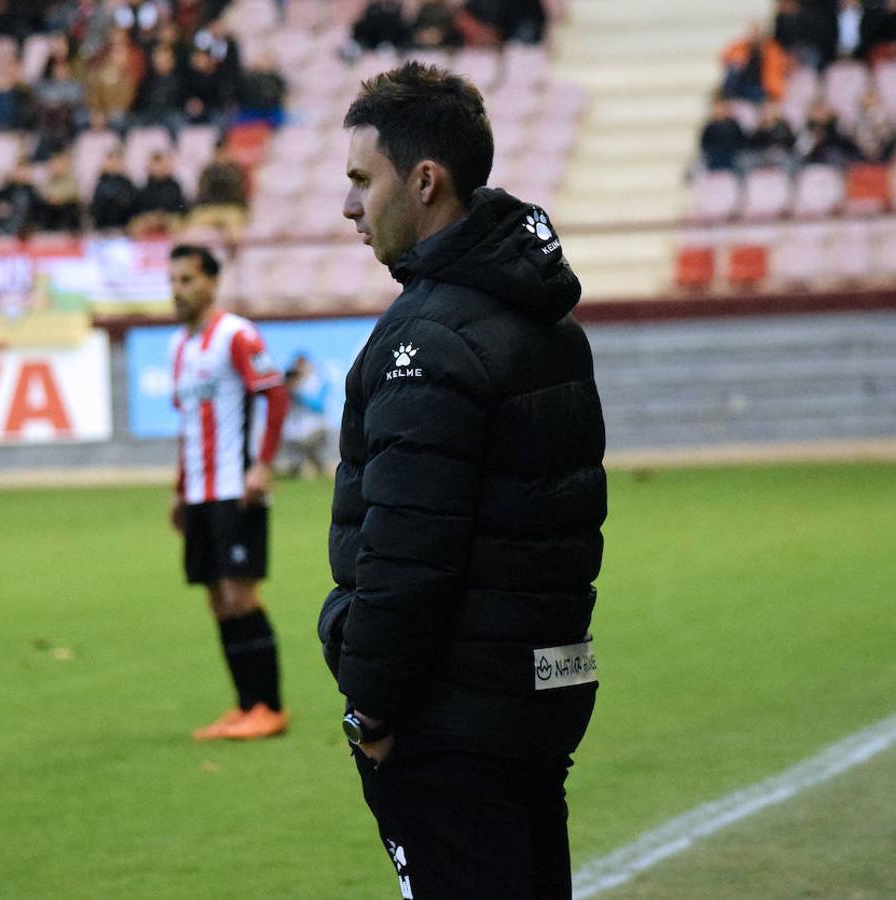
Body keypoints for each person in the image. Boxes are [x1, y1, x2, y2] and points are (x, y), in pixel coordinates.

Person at [318, 62, 606, 899]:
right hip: (541, 691)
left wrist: (368, 710)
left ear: (425, 180)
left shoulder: (427, 339)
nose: (348, 206)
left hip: (453, 719)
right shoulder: (542, 312)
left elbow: (408, 554)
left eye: (361, 180)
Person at [168, 244, 291, 741]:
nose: (177, 290)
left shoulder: (236, 334)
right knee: (218, 599)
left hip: (235, 488)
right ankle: (244, 706)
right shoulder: (178, 346)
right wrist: (179, 490)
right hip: (199, 492)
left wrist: (262, 465)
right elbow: (188, 428)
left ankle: (270, 706)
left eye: (187, 280)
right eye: (173, 280)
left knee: (242, 595)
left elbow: (275, 395)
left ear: (211, 283)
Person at [281, 352, 330, 478]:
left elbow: (319, 406)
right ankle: (297, 468)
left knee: (310, 443)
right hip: (297, 427)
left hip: (317, 426)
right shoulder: (291, 382)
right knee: (290, 438)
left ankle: (320, 468)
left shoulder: (318, 381)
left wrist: (298, 393)